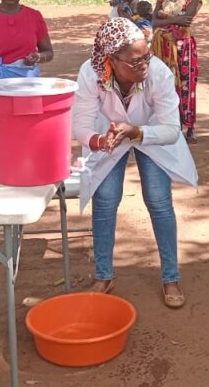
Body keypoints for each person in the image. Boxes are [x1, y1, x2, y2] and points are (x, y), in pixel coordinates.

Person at [71, 18, 197, 308]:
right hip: (109, 132)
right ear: (111, 59)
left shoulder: (158, 73)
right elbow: (81, 124)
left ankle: (170, 277)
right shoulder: (91, 74)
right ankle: (104, 275)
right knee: (105, 199)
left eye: (147, 57)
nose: (144, 65)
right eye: (135, 61)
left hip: (152, 134)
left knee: (158, 199)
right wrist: (100, 142)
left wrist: (139, 133)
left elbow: (171, 129)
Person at [153, 0, 202, 144]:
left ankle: (189, 127)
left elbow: (187, 20)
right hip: (162, 47)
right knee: (165, 84)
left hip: (184, 47)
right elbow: (153, 22)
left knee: (186, 84)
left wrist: (164, 17)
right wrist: (175, 19)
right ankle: (170, 124)